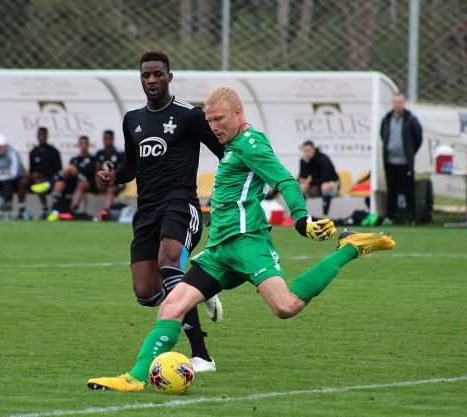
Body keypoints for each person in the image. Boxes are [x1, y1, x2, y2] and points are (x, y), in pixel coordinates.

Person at [87, 87, 395, 392]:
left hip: (248, 244)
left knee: (285, 307)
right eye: (209, 121)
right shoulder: (232, 146)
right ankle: (135, 377)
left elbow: (285, 180)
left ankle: (348, 248)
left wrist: (301, 219)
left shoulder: (251, 143)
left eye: (219, 119)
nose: (214, 127)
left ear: (238, 113)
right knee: (171, 307)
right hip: (219, 251)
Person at [92, 51, 225, 373]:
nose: (151, 80)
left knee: (169, 262)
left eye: (157, 74)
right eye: (146, 76)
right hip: (146, 211)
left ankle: (201, 355)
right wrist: (113, 178)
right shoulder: (133, 119)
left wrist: (242, 187)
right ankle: (199, 287)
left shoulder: (190, 116)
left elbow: (226, 151)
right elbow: (130, 168)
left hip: (180, 204)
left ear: (169, 77)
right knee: (146, 293)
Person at [380, 93, 423, 225]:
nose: (397, 104)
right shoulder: (387, 119)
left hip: (405, 163)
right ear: (392, 104)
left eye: (400, 102)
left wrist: (410, 153)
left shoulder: (411, 119)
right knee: (391, 191)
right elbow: (382, 134)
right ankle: (390, 217)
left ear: (403, 103)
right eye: (395, 102)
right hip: (390, 161)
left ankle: (411, 218)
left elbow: (418, 138)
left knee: (408, 191)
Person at [47, 135, 98, 220]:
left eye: (85, 144)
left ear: (88, 145)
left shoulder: (93, 159)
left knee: (75, 174)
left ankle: (71, 209)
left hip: (87, 183)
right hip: (73, 183)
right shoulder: (74, 159)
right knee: (59, 184)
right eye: (81, 144)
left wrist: (77, 171)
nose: (83, 146)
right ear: (78, 145)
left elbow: (92, 173)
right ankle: (55, 209)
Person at [18, 127, 62, 219]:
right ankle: (21, 208)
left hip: (49, 180)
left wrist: (45, 176)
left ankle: (45, 209)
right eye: (40, 135)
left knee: (40, 183)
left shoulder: (53, 152)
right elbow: (31, 170)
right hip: (35, 179)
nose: (42, 137)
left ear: (47, 136)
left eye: (43, 135)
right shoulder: (33, 152)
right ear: (37, 137)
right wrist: (33, 174)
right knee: (23, 182)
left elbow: (58, 170)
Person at [298, 141, 339, 216]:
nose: (307, 153)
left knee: (325, 186)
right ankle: (300, 215)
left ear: (314, 149)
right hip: (316, 185)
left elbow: (327, 177)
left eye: (308, 150)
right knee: (302, 187)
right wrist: (304, 164)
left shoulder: (323, 158)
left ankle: (325, 215)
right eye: (304, 151)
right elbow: (303, 178)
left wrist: (310, 183)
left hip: (332, 184)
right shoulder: (304, 160)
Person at [95, 129, 124, 214]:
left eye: (108, 138)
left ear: (112, 139)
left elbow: (122, 169)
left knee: (110, 188)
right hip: (102, 180)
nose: (106, 140)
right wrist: (97, 180)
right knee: (82, 184)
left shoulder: (119, 153)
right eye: (105, 138)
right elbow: (97, 169)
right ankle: (74, 209)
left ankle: (105, 211)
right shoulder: (99, 153)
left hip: (115, 182)